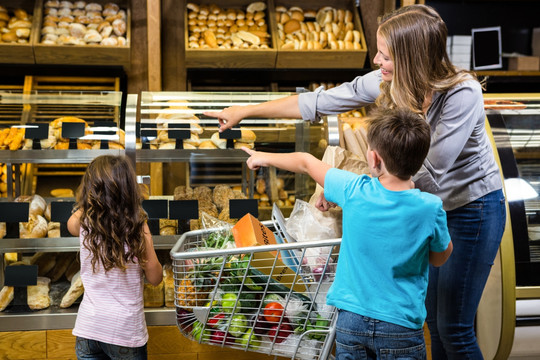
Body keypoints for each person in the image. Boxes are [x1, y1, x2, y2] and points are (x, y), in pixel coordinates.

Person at [205, 4, 506, 359]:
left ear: (412, 57)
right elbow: (321, 101)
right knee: (434, 325)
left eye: (385, 54)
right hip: (421, 210)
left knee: (453, 327)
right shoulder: (388, 80)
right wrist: (247, 111)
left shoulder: (462, 94)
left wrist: (355, 195)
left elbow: (426, 173)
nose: (377, 60)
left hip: (470, 208)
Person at [241, 107, 453, 359]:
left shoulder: (354, 189)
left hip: (351, 321)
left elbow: (306, 162)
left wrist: (259, 156)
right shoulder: (430, 208)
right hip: (400, 325)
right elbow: (440, 258)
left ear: (373, 159)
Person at [67, 155, 163, 360]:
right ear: (128, 188)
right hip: (124, 332)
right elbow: (155, 278)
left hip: (89, 329)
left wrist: (90, 202)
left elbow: (71, 224)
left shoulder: (84, 221)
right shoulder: (138, 227)